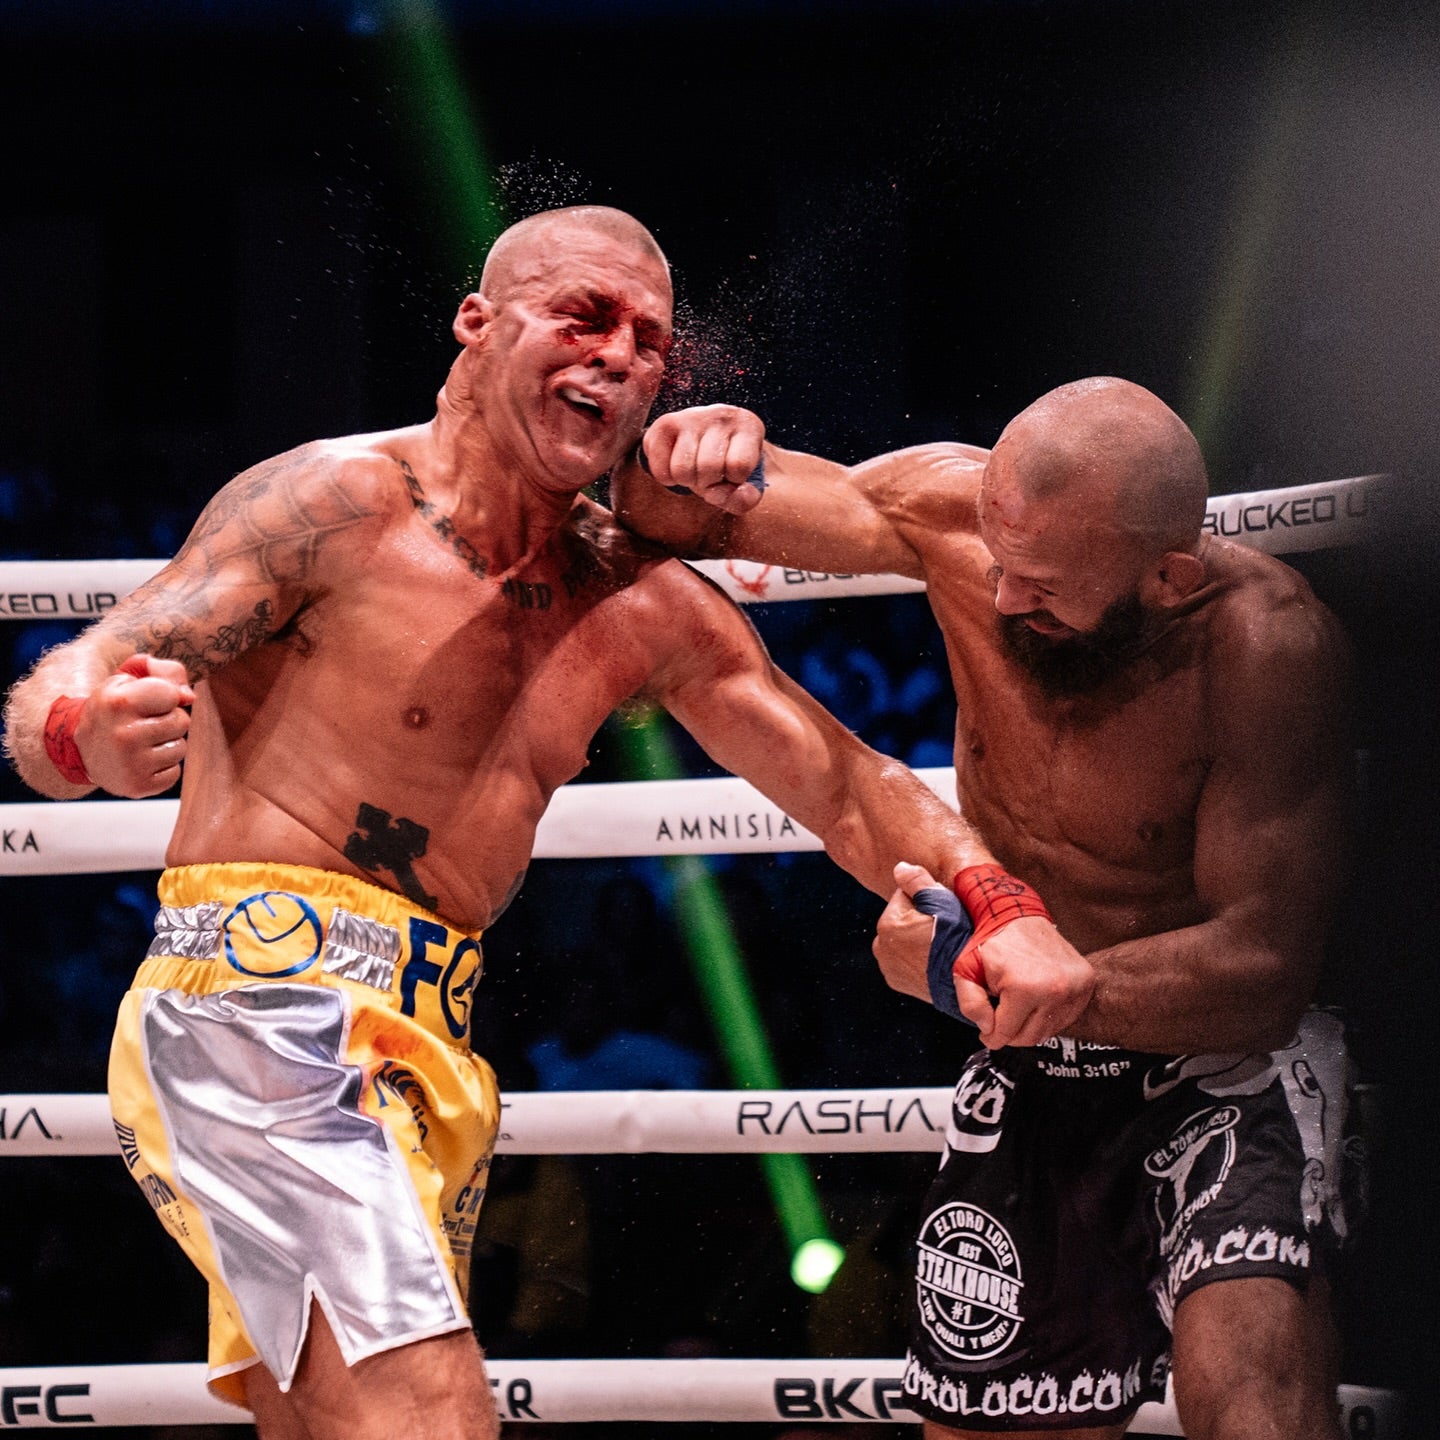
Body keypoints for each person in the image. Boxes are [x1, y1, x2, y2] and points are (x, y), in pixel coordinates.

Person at [0, 207, 1094, 1440]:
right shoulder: (337, 502)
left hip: (431, 1038)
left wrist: (1002, 905)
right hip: (263, 1008)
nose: (620, 356)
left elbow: (845, 781)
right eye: (584, 315)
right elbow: (81, 671)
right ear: (477, 322)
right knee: (431, 1418)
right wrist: (78, 735)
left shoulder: (637, 599)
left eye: (649, 342)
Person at [614, 378, 1354, 1440]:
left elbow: (1263, 969)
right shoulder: (955, 514)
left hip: (1222, 1071)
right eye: (998, 563)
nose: (1002, 600)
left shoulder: (1264, 648)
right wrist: (679, 458)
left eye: (1044, 584)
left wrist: (1021, 976)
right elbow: (674, 520)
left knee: (1252, 1395)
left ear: (1169, 576)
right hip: (1034, 1064)